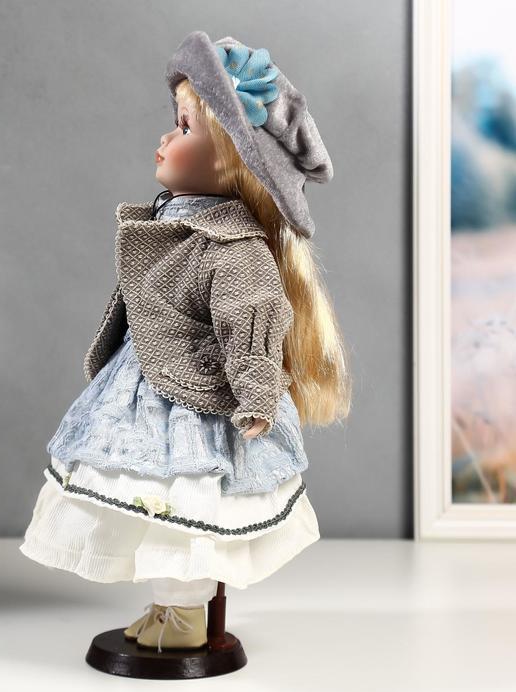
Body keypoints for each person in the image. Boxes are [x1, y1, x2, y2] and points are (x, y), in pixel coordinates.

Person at [20, 31, 351, 654]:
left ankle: (186, 611)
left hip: (196, 402)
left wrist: (256, 394)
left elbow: (251, 320)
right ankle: (166, 606)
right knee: (150, 502)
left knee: (186, 503)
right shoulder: (176, 221)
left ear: (232, 160)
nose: (165, 138)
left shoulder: (233, 247)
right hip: (146, 387)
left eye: (185, 127)